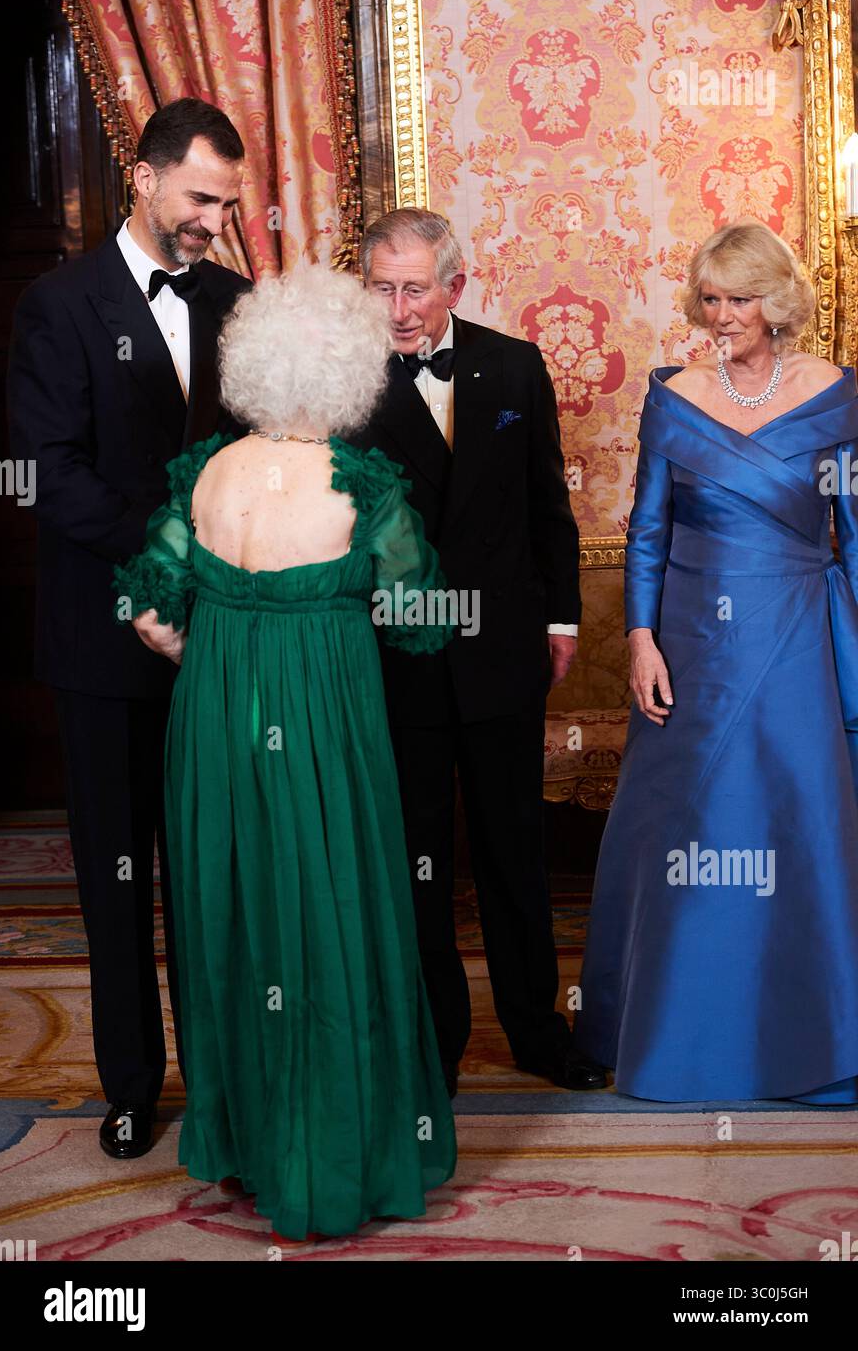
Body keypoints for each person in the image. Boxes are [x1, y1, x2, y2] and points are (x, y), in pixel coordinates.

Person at [112, 265, 457, 1241]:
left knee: (238, 919)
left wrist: (219, 644)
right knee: (329, 916)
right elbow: (420, 618)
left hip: (214, 724)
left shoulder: (208, 472)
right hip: (321, 726)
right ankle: (333, 1153)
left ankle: (251, 1145)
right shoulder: (366, 481)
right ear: (351, 372)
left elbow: (145, 611)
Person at [6, 97, 251, 1160]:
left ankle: (224, 1082)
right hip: (104, 639)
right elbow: (46, 473)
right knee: (116, 876)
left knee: (211, 870)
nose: (213, 221)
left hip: (219, 638)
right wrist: (163, 560)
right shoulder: (59, 304)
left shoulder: (240, 300)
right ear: (144, 178)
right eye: (201, 198)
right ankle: (129, 1083)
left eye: (228, 204)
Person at [575, 218, 858, 1102]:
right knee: (693, 830)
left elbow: (851, 534)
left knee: (795, 821)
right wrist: (640, 638)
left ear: (777, 305)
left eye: (739, 300)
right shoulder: (676, 397)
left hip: (799, 630)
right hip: (693, 640)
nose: (720, 316)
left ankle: (812, 1037)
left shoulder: (837, 397)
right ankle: (675, 1034)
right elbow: (648, 529)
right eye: (710, 299)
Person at [357, 208, 607, 1096]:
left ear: (454, 287)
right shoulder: (344, 379)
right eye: (381, 289)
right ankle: (436, 1042)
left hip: (504, 647)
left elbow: (550, 505)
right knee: (418, 856)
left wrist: (564, 621)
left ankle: (539, 1030)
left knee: (514, 850)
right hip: (399, 654)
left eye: (414, 288)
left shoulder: (513, 363)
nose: (398, 309)